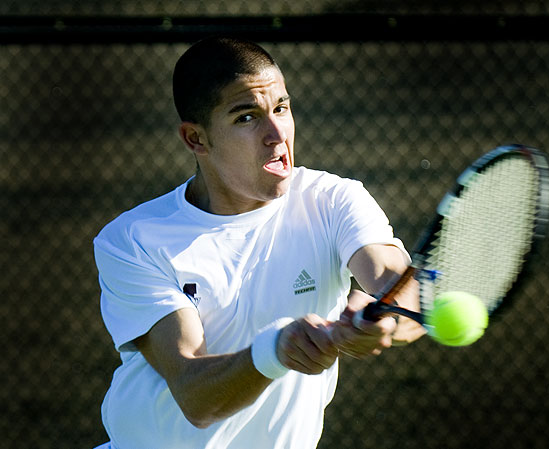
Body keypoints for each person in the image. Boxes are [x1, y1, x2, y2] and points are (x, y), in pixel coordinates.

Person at [93, 36, 425, 449]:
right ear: (196, 139)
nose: (276, 133)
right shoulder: (133, 240)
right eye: (246, 117)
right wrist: (275, 350)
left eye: (281, 108)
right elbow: (196, 397)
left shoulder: (334, 200)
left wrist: (385, 316)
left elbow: (400, 285)